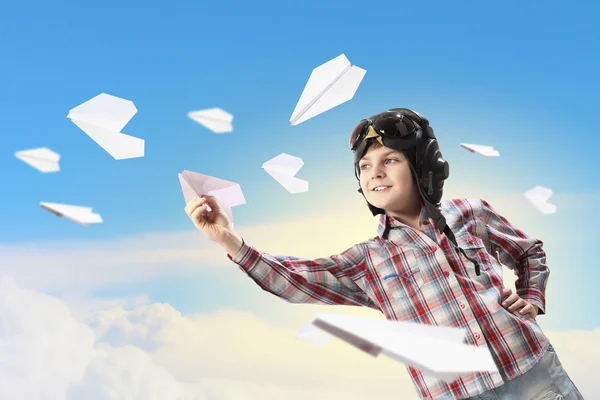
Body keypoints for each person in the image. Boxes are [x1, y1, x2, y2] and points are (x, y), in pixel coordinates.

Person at [184, 108, 584, 400]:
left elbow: (529, 251)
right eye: (365, 166)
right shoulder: (367, 261)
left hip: (532, 373)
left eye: (389, 160)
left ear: (424, 165)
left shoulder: (470, 213)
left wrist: (531, 299)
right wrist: (228, 240)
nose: (374, 172)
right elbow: (294, 280)